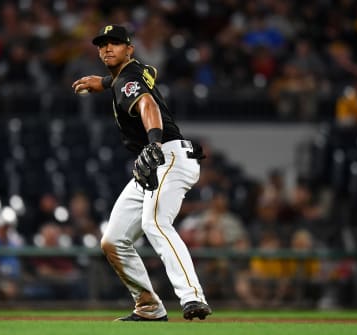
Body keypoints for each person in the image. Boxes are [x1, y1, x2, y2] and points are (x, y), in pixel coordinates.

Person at [72, 24, 211, 321]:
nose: (107, 48)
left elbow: (147, 105)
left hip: (166, 154)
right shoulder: (131, 74)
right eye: (102, 44)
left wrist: (153, 143)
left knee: (155, 222)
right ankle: (148, 306)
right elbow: (149, 75)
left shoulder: (126, 81)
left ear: (129, 49)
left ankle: (192, 297)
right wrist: (106, 82)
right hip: (155, 160)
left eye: (116, 43)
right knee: (113, 239)